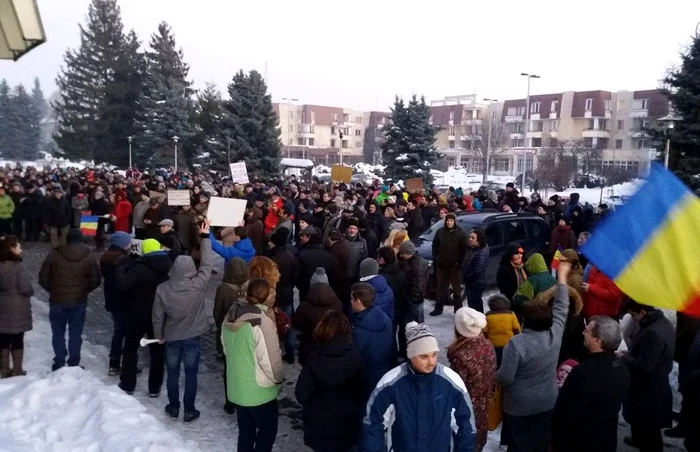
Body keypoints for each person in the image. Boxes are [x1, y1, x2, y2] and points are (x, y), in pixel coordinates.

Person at [361, 321, 476, 452]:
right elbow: (373, 423)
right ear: (411, 356)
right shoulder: (390, 383)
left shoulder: (451, 383)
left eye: (434, 354)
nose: (431, 362)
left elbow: (466, 427)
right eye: (424, 357)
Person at [496, 261, 571, 452]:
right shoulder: (555, 333)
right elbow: (562, 306)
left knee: (519, 446)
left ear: (525, 320)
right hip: (547, 401)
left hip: (519, 406)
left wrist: (493, 374)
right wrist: (561, 278)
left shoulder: (517, 343)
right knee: (541, 443)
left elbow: (505, 378)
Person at [152, 220, 213, 423]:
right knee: (191, 374)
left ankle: (173, 406)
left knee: (172, 373)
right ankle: (189, 409)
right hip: (192, 337)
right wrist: (205, 236)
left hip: (171, 336)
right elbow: (207, 264)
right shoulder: (197, 284)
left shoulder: (162, 288)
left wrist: (158, 335)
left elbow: (157, 316)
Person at [223, 278, 284, 452]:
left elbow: (226, 349)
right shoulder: (261, 322)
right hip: (259, 392)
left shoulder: (231, 316)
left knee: (245, 433)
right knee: (267, 433)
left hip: (237, 387)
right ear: (265, 298)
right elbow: (271, 362)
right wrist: (278, 380)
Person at [552, 316, 630, 452]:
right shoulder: (620, 365)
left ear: (598, 341)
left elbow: (566, 411)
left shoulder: (584, 372)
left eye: (587, 331)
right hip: (606, 437)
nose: (583, 333)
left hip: (580, 441)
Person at [295, 311, 366, 452]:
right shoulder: (355, 357)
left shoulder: (314, 357)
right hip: (346, 422)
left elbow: (301, 393)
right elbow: (362, 390)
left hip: (319, 422)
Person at [116, 238, 173, 396]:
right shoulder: (169, 267)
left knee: (131, 347)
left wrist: (122, 269)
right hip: (160, 316)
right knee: (157, 352)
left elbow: (122, 285)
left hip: (139, 314)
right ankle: (154, 388)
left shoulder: (140, 268)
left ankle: (128, 383)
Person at [38, 229, 101, 370]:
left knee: (58, 331)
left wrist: (53, 290)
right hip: (78, 300)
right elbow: (96, 279)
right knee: (76, 332)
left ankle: (59, 360)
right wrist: (84, 290)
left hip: (57, 300)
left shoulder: (54, 255)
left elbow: (43, 278)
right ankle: (74, 361)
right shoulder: (89, 257)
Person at [622, 300, 675, 452]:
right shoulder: (662, 322)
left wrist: (625, 357)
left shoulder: (652, 333)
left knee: (649, 431)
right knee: (643, 426)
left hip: (649, 392)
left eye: (633, 315)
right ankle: (638, 440)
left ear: (642, 313)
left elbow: (645, 366)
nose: (632, 318)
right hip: (652, 387)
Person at [448, 308, 497, 452]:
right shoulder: (488, 345)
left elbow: (456, 388)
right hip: (483, 405)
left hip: (465, 410)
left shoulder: (460, 355)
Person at [213, 257, 248, 414]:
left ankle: (230, 401)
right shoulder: (250, 285)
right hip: (246, 332)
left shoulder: (223, 288)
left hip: (228, 333)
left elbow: (217, 312)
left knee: (229, 368)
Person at [350, 282, 394, 397]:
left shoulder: (358, 332)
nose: (350, 302)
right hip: (383, 373)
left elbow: (355, 362)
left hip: (365, 380)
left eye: (351, 299)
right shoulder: (385, 319)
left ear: (358, 301)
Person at [292, 268, 343, 366]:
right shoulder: (338, 304)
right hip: (331, 347)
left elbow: (296, 324)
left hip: (309, 348)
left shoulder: (304, 305)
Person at [0, 236, 34, 377]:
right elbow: (25, 287)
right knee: (17, 339)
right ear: (12, 248)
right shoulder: (18, 266)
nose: (21, 249)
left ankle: (4, 369)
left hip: (2, 305)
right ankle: (17, 369)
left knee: (3, 338)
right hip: (18, 306)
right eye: (18, 247)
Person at [100, 231, 132, 375]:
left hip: (111, 297)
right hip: (123, 300)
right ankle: (122, 363)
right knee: (124, 332)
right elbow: (125, 282)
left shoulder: (106, 257)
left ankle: (115, 362)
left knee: (118, 331)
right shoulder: (122, 260)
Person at [267, 227, 298, 363]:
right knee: (288, 324)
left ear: (274, 243)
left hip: (276, 295)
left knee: (273, 325)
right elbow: (295, 276)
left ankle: (273, 352)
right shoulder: (290, 255)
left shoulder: (272, 260)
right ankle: (290, 352)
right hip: (287, 293)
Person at [431, 213, 469, 316]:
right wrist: (437, 258)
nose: (449, 222)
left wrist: (459, 262)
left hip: (455, 266)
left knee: (456, 289)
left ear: (454, 222)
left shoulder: (460, 233)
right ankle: (438, 308)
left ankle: (458, 310)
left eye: (451, 220)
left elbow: (465, 249)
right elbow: (435, 246)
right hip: (442, 265)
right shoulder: (440, 232)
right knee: (441, 288)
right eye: (447, 220)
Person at [397, 240, 428, 357]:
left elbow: (418, 287)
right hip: (413, 300)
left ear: (406, 252)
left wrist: (409, 299)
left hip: (414, 302)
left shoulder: (416, 265)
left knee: (415, 329)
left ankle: (414, 352)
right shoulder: (413, 262)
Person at [296, 228, 335, 303]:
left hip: (306, 288)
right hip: (324, 288)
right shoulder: (329, 256)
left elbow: (297, 273)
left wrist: (300, 286)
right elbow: (332, 274)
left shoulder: (302, 255)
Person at [483, 295, 521, 367]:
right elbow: (516, 328)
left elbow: (485, 332)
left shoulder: (487, 316)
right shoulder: (511, 314)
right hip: (509, 343)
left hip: (494, 344)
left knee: (498, 362)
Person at [464, 227, 489, 313]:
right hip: (474, 282)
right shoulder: (475, 250)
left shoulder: (480, 253)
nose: (470, 239)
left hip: (476, 283)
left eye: (473, 238)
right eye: (470, 237)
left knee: (475, 306)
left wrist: (467, 278)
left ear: (478, 241)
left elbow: (477, 271)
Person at [328, 229, 351, 314]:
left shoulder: (334, 250)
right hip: (345, 278)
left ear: (329, 238)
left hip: (338, 282)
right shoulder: (345, 245)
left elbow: (335, 268)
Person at [345, 219, 368, 284]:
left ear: (357, 230)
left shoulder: (362, 241)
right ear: (347, 229)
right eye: (350, 228)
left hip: (355, 273)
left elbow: (364, 257)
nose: (352, 231)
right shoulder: (342, 239)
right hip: (343, 273)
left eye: (354, 228)